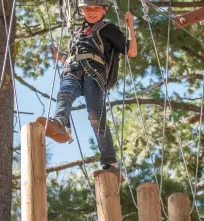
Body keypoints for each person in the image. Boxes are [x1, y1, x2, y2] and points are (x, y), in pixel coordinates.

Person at [37, 0, 137, 171]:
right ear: (82, 10)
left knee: (95, 117)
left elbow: (131, 51)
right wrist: (62, 57)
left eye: (96, 8)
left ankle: (109, 161)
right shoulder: (78, 31)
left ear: (104, 10)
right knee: (65, 94)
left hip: (94, 71)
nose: (91, 12)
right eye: (87, 9)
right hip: (73, 68)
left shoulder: (108, 29)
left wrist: (130, 27)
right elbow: (77, 54)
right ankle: (59, 123)